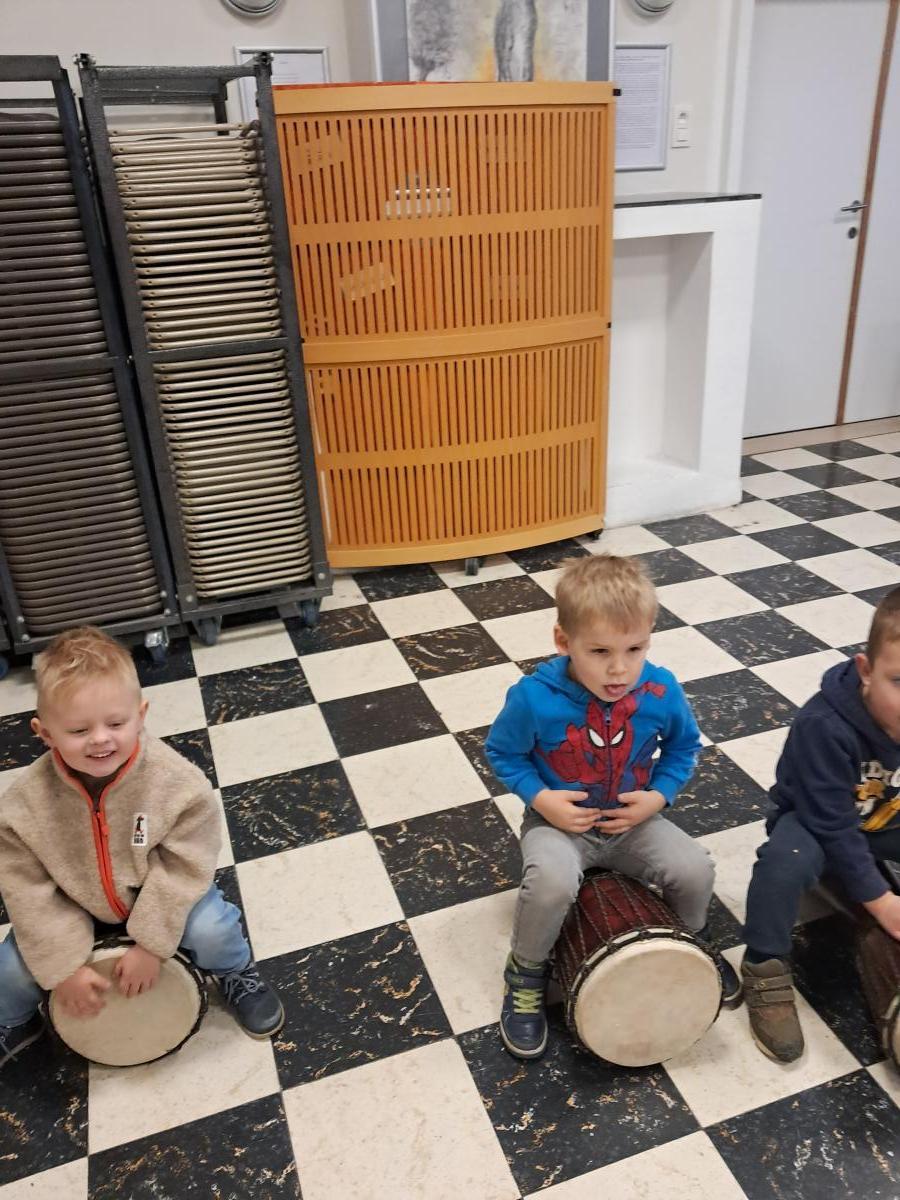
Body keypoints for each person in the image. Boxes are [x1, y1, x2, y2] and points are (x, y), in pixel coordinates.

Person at [485, 554, 740, 1060]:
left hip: (632, 824)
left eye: (635, 649)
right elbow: (503, 753)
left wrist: (658, 797)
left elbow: (684, 748)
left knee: (694, 869)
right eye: (599, 651)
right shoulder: (533, 697)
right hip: (559, 825)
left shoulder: (661, 690)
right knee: (551, 882)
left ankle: (692, 941)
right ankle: (526, 971)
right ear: (564, 641)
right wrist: (542, 799)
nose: (619, 668)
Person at [0, 626, 284, 1070]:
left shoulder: (177, 783)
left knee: (214, 929)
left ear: (141, 714)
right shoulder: (22, 806)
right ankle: (15, 1021)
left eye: (116, 724)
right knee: (10, 969)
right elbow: (26, 889)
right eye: (78, 729)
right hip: (71, 904)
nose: (100, 739)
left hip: (159, 895)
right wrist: (62, 968)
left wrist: (152, 944)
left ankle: (236, 974)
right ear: (45, 733)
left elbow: (185, 866)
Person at [741, 587, 900, 1063]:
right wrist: (882, 901)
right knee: (783, 863)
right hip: (815, 823)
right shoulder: (825, 725)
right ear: (865, 670)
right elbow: (833, 826)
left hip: (886, 819)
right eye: (899, 681)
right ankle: (764, 965)